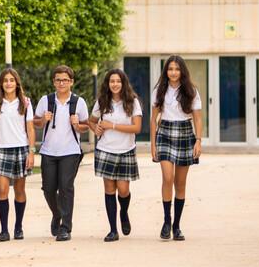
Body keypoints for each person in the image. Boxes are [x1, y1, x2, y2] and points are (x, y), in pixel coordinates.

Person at [34, 64, 90, 241]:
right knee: (48, 188)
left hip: (70, 151)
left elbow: (85, 127)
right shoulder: (46, 100)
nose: (61, 83)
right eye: (58, 80)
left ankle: (65, 227)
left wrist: (77, 124)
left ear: (71, 82)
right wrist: (43, 119)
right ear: (53, 82)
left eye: (65, 80)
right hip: (48, 151)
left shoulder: (78, 102)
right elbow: (35, 123)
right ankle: (57, 214)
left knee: (66, 188)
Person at [151, 54, 202, 241]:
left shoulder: (191, 90)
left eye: (177, 69)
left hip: (185, 133)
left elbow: (197, 117)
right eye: (170, 69)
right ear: (166, 71)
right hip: (164, 132)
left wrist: (198, 140)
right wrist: (153, 144)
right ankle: (166, 220)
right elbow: (153, 119)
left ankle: (177, 226)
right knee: (168, 177)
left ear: (182, 71)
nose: (173, 72)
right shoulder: (159, 90)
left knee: (180, 183)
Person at [89, 68, 143, 241]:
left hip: (126, 150)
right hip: (105, 150)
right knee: (109, 190)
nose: (115, 84)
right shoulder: (102, 102)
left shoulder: (132, 102)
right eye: (112, 81)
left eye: (118, 81)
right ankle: (113, 230)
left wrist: (111, 125)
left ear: (123, 83)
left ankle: (124, 213)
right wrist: (95, 127)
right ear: (108, 83)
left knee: (123, 190)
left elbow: (136, 128)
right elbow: (91, 121)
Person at [0, 67, 34, 242]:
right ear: (1, 84)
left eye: (12, 80)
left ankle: (18, 227)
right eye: (5, 80)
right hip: (1, 149)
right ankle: (4, 230)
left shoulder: (25, 103)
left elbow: (30, 128)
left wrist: (31, 152)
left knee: (20, 190)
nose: (8, 83)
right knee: (2, 190)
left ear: (17, 83)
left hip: (21, 149)